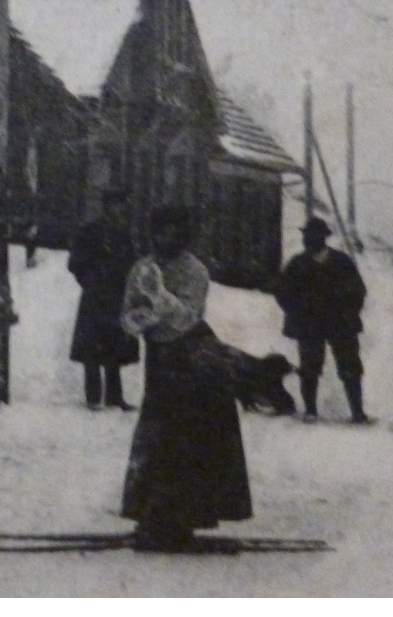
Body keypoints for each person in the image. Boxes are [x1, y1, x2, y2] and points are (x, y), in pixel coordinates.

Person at [118, 206, 252, 552]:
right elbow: (129, 314)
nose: (166, 239)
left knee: (189, 440)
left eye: (173, 232)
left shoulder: (195, 271)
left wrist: (159, 297)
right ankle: (156, 518)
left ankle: (184, 521)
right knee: (157, 438)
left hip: (193, 358)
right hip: (160, 360)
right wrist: (138, 318)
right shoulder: (142, 268)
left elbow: (187, 318)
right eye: (160, 231)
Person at [274, 216, 371, 423]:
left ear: (323, 238)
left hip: (340, 323)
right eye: (305, 236)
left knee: (350, 366)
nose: (307, 240)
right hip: (309, 325)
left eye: (312, 236)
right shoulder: (297, 264)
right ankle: (310, 411)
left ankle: (357, 412)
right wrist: (297, 312)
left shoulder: (342, 261)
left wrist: (348, 313)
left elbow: (359, 291)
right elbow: (282, 293)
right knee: (309, 366)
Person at [68, 189, 140, 410]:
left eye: (124, 205)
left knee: (114, 347)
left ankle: (114, 397)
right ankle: (93, 397)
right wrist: (91, 279)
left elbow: (132, 263)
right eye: (119, 205)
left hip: (118, 297)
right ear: (108, 206)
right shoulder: (90, 232)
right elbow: (75, 262)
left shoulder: (124, 234)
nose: (123, 210)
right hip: (96, 297)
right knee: (93, 347)